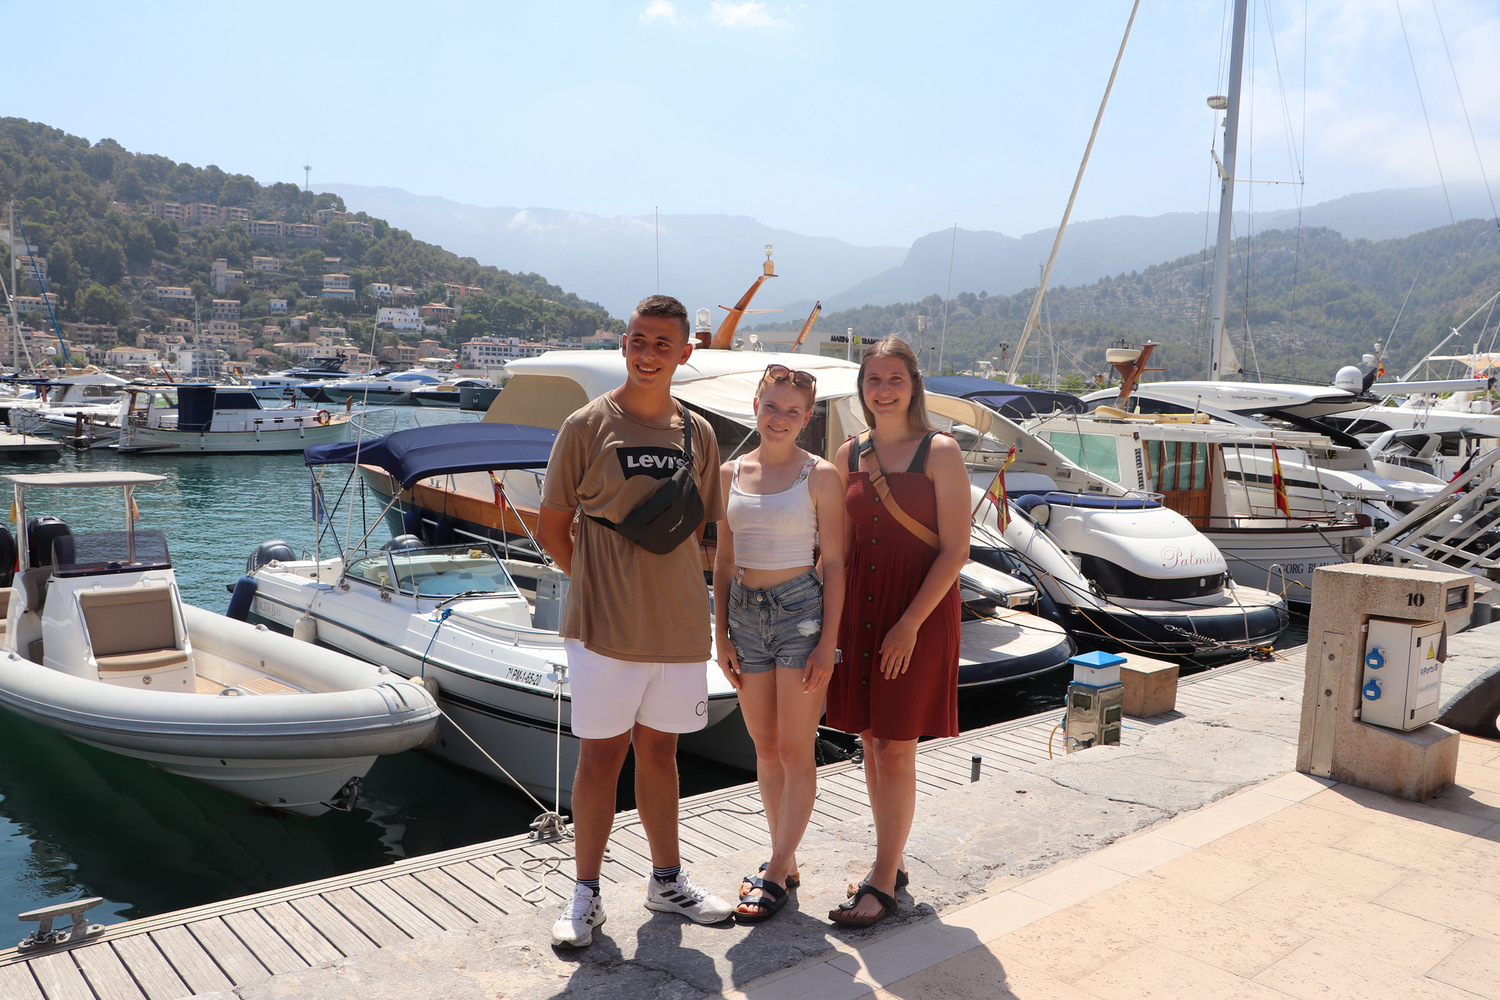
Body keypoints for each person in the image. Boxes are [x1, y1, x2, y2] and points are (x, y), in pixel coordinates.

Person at [537, 294, 734, 948]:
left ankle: (666, 881)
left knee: (661, 753)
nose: (648, 354)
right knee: (601, 757)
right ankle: (585, 894)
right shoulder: (586, 426)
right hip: (604, 626)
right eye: (638, 340)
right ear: (624, 344)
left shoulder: (698, 434)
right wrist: (598, 583)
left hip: (678, 624)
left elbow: (697, 530)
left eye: (662, 344)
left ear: (685, 353)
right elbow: (552, 527)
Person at [826, 336, 968, 928]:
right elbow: (838, 550)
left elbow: (956, 550)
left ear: (914, 386)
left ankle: (882, 877)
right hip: (861, 608)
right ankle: (893, 859)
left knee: (895, 746)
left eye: (895, 379)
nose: (883, 390)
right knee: (869, 740)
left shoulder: (941, 451)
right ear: (861, 388)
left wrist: (909, 623)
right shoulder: (847, 453)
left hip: (918, 610)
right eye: (873, 380)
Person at [712, 363, 846, 924]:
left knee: (795, 750)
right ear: (756, 407)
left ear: (807, 418)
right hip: (743, 615)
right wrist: (719, 632)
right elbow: (723, 557)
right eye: (772, 406)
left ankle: (772, 872)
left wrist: (828, 643)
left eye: (793, 411)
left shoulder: (820, 475)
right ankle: (784, 863)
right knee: (764, 748)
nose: (780, 418)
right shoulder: (728, 472)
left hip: (801, 616)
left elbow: (835, 562)